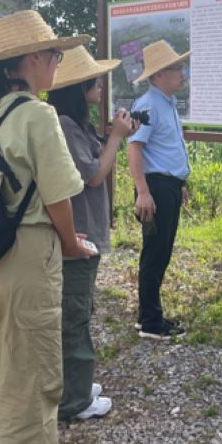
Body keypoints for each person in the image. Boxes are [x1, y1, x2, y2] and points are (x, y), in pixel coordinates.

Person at [0, 11, 94, 444]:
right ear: (34, 59)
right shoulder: (38, 115)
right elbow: (59, 195)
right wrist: (71, 244)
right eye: (55, 55)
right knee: (33, 374)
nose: (58, 63)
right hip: (27, 253)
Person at [46, 46, 138, 421]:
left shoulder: (75, 124)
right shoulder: (65, 125)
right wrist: (116, 138)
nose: (100, 86)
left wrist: (115, 135)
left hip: (85, 232)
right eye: (94, 81)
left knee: (80, 309)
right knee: (74, 315)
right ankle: (75, 400)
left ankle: (76, 384)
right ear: (78, 88)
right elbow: (94, 175)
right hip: (77, 234)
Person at [127, 40, 191, 341]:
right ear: (158, 75)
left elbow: (166, 148)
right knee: (155, 253)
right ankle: (152, 322)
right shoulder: (149, 105)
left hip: (167, 186)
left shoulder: (167, 102)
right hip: (155, 187)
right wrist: (143, 192)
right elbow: (134, 148)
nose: (182, 73)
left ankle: (148, 316)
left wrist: (180, 184)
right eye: (176, 68)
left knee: (161, 252)